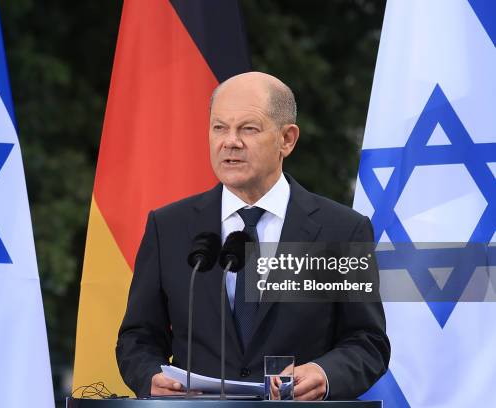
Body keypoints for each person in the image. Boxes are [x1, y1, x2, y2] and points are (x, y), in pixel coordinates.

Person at [116, 72, 390, 400]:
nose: (230, 141)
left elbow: (367, 342)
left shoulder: (341, 230)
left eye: (249, 128)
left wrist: (324, 373)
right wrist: (150, 377)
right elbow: (138, 337)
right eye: (219, 127)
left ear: (287, 139)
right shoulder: (169, 227)